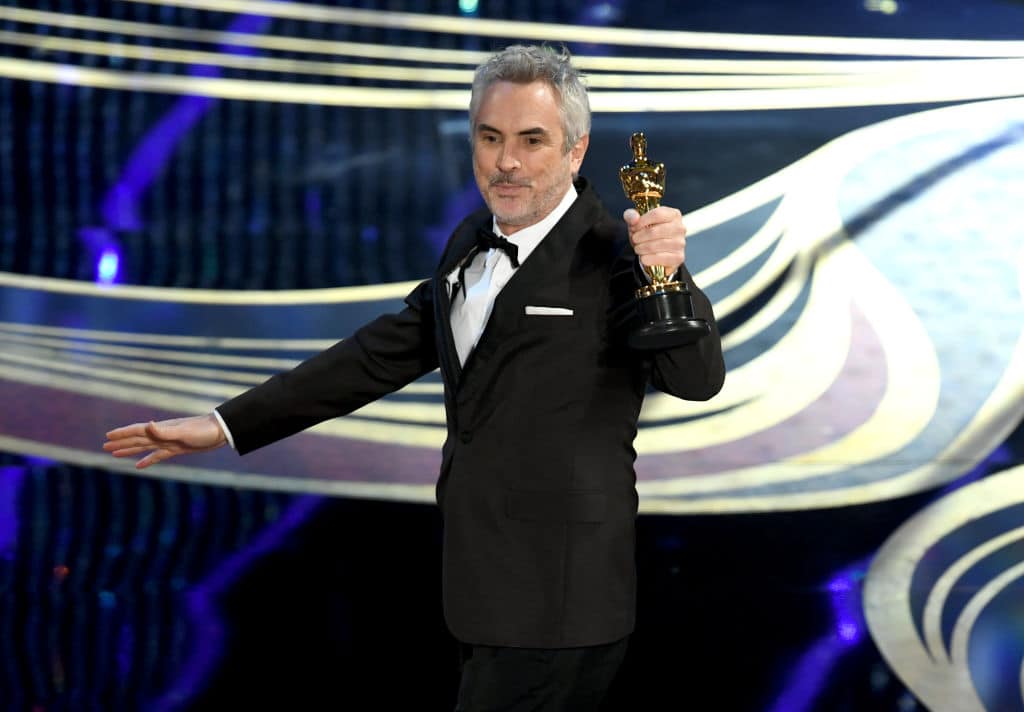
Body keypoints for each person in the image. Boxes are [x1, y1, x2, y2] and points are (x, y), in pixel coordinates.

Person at [104, 44, 725, 711]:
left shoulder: (614, 257)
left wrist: (671, 277)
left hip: (562, 601)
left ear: (575, 152)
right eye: (490, 138)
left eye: (531, 140)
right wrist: (224, 424)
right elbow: (377, 355)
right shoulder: (469, 242)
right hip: (479, 587)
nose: (506, 162)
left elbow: (696, 379)